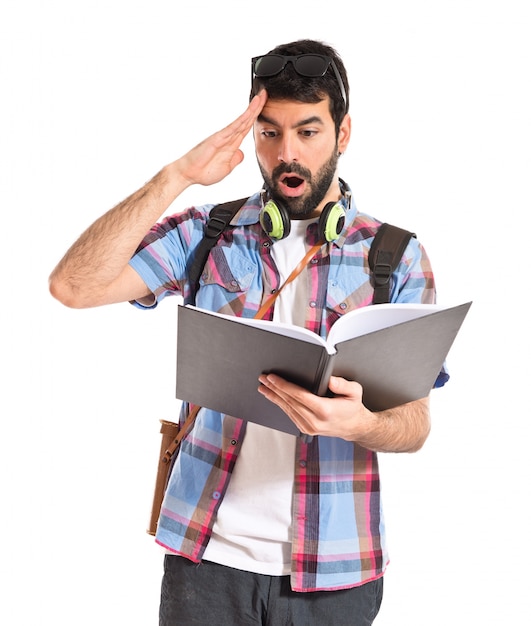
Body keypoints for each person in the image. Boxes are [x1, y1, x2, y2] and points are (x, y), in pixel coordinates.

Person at [49, 39, 446, 626]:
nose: (287, 153)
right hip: (205, 562)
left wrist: (363, 424)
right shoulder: (208, 235)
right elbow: (73, 286)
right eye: (268, 132)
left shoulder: (397, 257)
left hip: (336, 574)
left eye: (308, 132)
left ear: (343, 133)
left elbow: (414, 425)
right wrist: (177, 176)